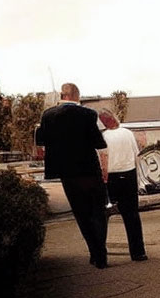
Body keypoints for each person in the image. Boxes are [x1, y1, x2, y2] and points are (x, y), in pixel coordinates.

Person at [35, 82, 109, 268]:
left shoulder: (48, 115)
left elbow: (41, 142)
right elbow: (99, 143)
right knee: (98, 212)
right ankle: (100, 252)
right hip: (89, 170)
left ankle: (95, 251)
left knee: (81, 214)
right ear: (77, 95)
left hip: (66, 173)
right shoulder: (88, 115)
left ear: (62, 95)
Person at [98, 110, 147, 261]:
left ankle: (100, 252)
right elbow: (136, 154)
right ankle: (138, 252)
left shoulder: (103, 137)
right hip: (128, 173)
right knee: (131, 214)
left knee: (103, 215)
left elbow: (102, 159)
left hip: (111, 177)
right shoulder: (127, 133)